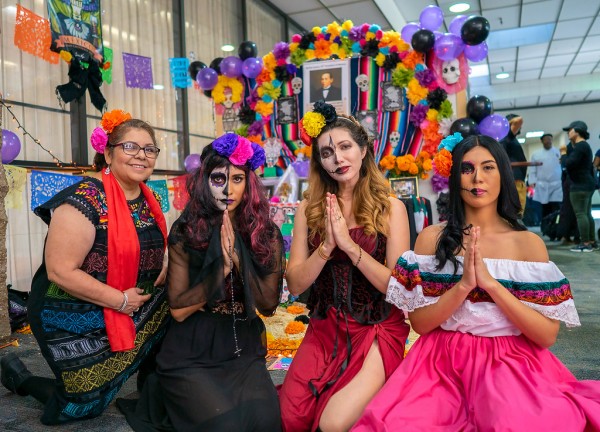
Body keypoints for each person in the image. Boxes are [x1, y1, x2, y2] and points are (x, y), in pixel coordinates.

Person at [352, 134, 600, 431]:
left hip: (510, 362)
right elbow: (421, 324)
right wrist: (463, 286)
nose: (477, 178)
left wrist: (491, 285)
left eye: (488, 167)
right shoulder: (432, 239)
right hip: (438, 362)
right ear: (455, 177)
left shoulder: (527, 244)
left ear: (503, 175)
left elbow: (546, 336)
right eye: (467, 168)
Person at [0, 110, 169, 425]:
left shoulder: (149, 198)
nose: (141, 156)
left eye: (149, 149)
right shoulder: (85, 199)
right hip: (72, 314)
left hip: (131, 304)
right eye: (130, 147)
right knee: (82, 405)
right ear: (107, 152)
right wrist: (120, 300)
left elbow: (152, 243)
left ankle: (153, 393)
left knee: (180, 303)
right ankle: (20, 378)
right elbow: (61, 272)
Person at [118, 133, 285, 431]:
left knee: (267, 424)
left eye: (237, 179)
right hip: (192, 350)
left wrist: (237, 258)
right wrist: (219, 269)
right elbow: (180, 310)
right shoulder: (187, 230)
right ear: (206, 181)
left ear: (248, 184)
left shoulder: (265, 233)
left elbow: (269, 304)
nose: (228, 189)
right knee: (226, 427)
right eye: (219, 179)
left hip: (242, 348)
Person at [279, 101, 411, 432]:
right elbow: (295, 284)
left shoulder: (390, 208)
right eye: (326, 152)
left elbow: (400, 287)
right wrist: (326, 246)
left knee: (333, 424)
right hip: (325, 330)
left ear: (363, 149)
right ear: (319, 163)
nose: (338, 159)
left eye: (345, 147)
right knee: (288, 419)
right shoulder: (308, 210)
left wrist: (350, 247)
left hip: (377, 328)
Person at [562, 121, 597, 252]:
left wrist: (563, 154)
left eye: (570, 130)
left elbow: (569, 163)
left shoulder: (581, 146)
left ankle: (585, 243)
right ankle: (592, 241)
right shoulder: (583, 146)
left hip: (580, 185)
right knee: (587, 214)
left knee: (581, 214)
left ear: (577, 131)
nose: (568, 133)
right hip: (587, 183)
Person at [499, 114, 528, 213]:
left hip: (515, 180)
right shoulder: (507, 135)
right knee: (516, 213)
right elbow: (519, 120)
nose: (520, 127)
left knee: (516, 212)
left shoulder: (508, 138)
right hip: (514, 181)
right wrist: (507, 124)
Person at [529, 133, 562, 219]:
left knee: (556, 208)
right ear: (542, 141)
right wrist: (532, 181)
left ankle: (555, 228)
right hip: (542, 185)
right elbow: (532, 169)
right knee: (545, 208)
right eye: (546, 139)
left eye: (550, 139)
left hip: (556, 185)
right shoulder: (536, 154)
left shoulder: (558, 152)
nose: (548, 141)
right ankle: (545, 228)